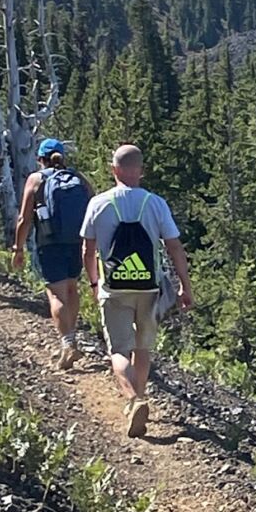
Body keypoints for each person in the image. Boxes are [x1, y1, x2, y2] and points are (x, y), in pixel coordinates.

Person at [81, 144, 192, 438]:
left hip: (114, 286)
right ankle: (139, 399)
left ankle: (134, 400)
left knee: (119, 349)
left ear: (113, 169)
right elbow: (174, 247)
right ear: (141, 171)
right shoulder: (155, 204)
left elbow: (88, 249)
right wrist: (185, 285)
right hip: (149, 286)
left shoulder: (98, 203)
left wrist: (94, 282)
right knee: (142, 348)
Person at [12, 139, 94, 371]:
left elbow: (24, 218)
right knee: (71, 288)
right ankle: (72, 334)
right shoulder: (78, 178)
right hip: (76, 241)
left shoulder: (36, 180)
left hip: (49, 243)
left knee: (55, 293)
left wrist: (18, 248)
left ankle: (68, 343)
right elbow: (93, 204)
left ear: (40, 159)